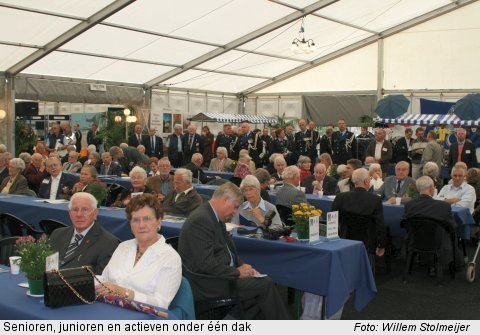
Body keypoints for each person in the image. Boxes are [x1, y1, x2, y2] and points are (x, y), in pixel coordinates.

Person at [178, 182, 291, 319]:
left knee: (259, 290)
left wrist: (242, 266)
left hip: (218, 274)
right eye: (235, 207)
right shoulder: (201, 220)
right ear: (226, 200)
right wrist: (237, 272)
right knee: (264, 285)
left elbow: (230, 251)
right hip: (206, 282)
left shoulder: (214, 216)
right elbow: (205, 264)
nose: (235, 212)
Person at [97, 193, 181, 309]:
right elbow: (105, 279)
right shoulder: (123, 246)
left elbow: (161, 303)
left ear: (159, 221)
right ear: (130, 224)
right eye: (135, 220)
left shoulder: (170, 258)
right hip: (111, 308)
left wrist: (124, 292)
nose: (141, 225)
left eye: (147, 219)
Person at [49, 192, 119, 274]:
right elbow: (47, 266)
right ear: (69, 213)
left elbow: (100, 280)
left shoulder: (108, 243)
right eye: (75, 210)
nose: (79, 214)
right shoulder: (57, 234)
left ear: (95, 213)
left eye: (85, 210)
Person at [403, 176, 458, 271]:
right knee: (451, 234)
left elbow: (406, 224)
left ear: (417, 189)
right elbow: (452, 226)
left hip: (415, 241)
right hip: (438, 243)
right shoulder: (443, 206)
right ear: (432, 189)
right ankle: (456, 264)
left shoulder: (409, 205)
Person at [332, 168, 386, 256]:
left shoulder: (340, 197)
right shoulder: (375, 200)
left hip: (344, 241)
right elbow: (380, 224)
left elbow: (333, 221)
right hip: (367, 245)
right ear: (366, 181)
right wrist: (381, 245)